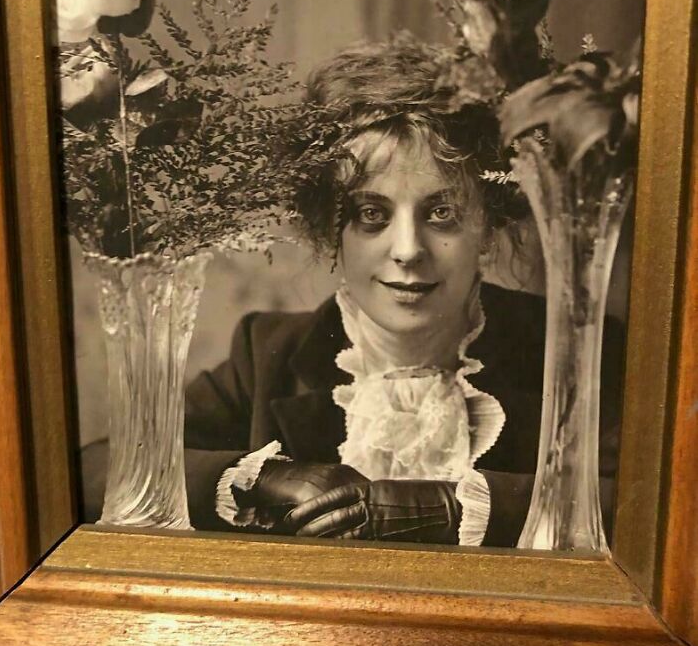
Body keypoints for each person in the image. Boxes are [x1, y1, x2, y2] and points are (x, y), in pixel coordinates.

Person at [175, 33, 625, 547]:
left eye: (442, 213)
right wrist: (259, 479)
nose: (408, 249)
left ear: (488, 223)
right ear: (331, 230)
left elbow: (655, 506)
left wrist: (458, 507)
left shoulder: (572, 349)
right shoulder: (266, 353)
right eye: (372, 214)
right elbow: (104, 467)